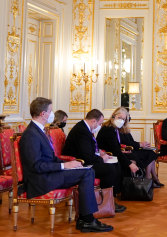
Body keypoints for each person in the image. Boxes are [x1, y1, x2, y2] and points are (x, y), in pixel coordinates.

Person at [19, 97, 113, 233]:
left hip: (49, 175)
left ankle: (85, 219)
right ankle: (87, 220)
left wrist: (69, 163)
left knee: (87, 171)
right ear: (43, 114)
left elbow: (51, 158)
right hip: (40, 180)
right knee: (87, 173)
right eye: (50, 111)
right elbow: (36, 166)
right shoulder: (31, 135)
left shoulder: (38, 131)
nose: (52, 114)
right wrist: (64, 167)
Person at [63, 109, 126, 213]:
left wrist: (100, 152)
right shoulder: (81, 131)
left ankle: (111, 199)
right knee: (109, 169)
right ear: (93, 121)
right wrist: (101, 159)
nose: (100, 126)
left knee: (115, 165)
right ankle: (106, 201)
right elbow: (87, 156)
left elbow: (89, 149)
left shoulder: (85, 129)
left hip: (85, 160)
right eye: (100, 123)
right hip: (79, 163)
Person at [97, 107, 163, 187]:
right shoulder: (108, 129)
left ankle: (149, 179)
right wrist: (124, 151)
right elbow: (111, 148)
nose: (121, 120)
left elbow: (117, 145)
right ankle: (148, 179)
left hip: (118, 151)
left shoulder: (117, 128)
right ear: (114, 116)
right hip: (108, 154)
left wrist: (122, 150)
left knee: (149, 153)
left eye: (123, 119)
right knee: (144, 155)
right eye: (119, 118)